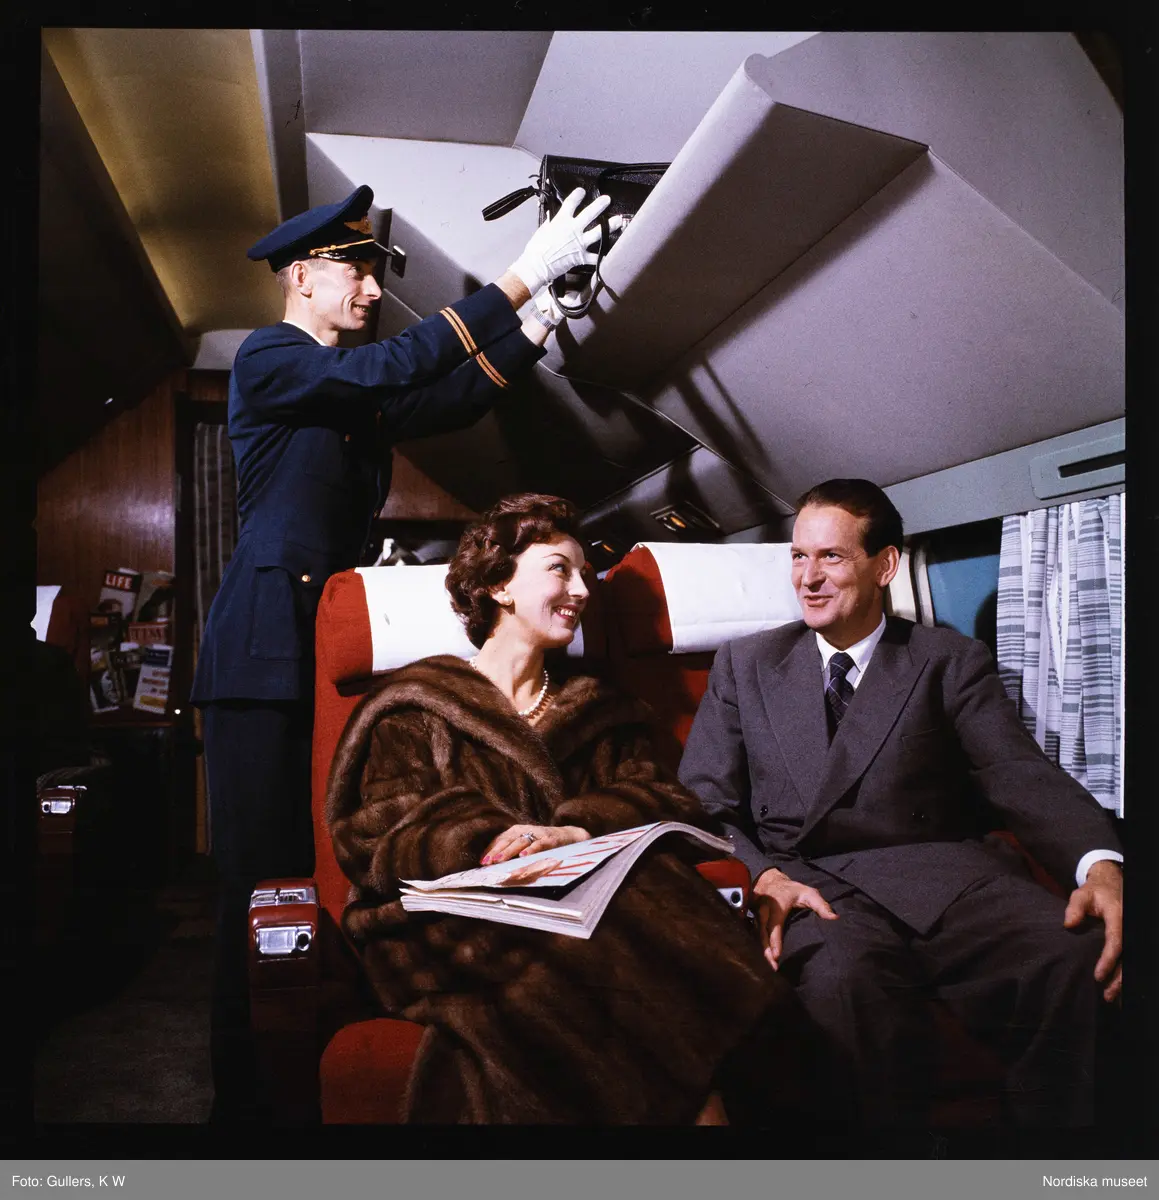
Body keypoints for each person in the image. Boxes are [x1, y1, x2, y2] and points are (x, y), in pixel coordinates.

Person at [190, 183, 618, 1122]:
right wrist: (519, 274)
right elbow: (400, 365)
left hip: (310, 649)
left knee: (319, 869)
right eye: (355, 271)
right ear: (302, 276)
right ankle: (245, 1110)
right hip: (260, 655)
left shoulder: (339, 391)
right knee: (256, 890)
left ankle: (311, 1074)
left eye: (374, 274)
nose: (373, 290)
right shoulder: (271, 357)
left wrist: (541, 317)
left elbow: (445, 395)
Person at [325, 493, 811, 1124]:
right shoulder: (415, 705)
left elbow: (663, 797)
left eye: (585, 574)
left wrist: (575, 829)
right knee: (609, 979)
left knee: (637, 933)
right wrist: (488, 842)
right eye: (560, 569)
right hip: (445, 923)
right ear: (499, 585)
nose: (582, 590)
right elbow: (376, 832)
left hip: (583, 913)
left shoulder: (599, 710)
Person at [678, 478, 1124, 1127]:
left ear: (884, 565)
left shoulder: (946, 659)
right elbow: (701, 801)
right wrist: (762, 876)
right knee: (841, 986)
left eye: (830, 557)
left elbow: (1017, 772)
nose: (807, 578)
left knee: (1077, 956)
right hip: (808, 884)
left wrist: (1099, 864)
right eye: (798, 556)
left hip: (941, 876)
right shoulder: (745, 665)